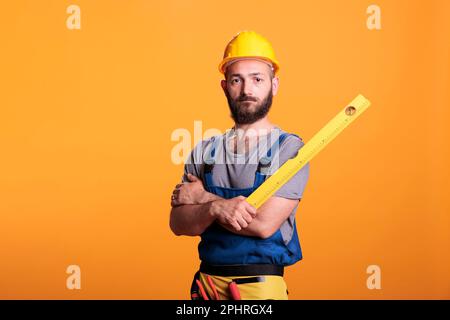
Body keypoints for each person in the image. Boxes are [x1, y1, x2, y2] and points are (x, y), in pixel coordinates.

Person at [169, 30, 310, 300]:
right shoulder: (204, 151)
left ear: (274, 85)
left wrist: (203, 199)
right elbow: (178, 223)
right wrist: (216, 206)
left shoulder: (290, 149)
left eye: (257, 79)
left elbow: (264, 224)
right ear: (225, 86)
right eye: (237, 80)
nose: (247, 90)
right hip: (206, 286)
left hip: (259, 287)